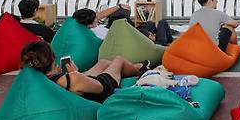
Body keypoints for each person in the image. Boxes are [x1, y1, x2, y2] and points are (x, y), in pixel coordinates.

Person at [20, 40, 148, 103]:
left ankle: (137, 66)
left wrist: (76, 74)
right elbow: (100, 88)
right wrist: (78, 74)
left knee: (104, 62)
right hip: (104, 87)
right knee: (118, 60)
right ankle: (140, 70)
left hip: (77, 83)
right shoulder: (72, 78)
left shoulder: (41, 80)